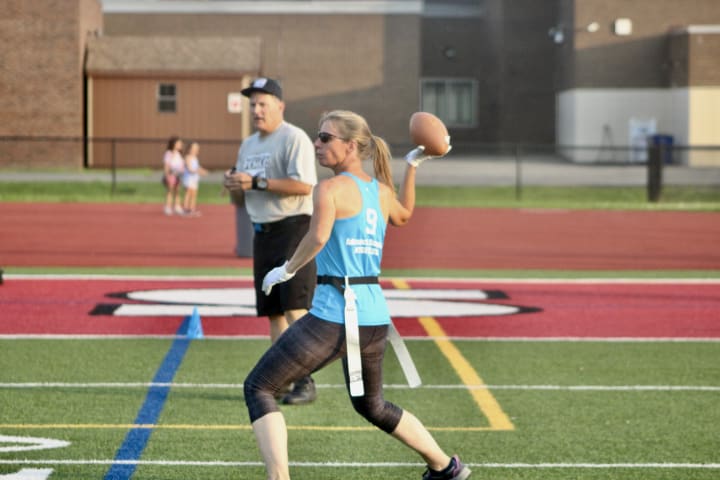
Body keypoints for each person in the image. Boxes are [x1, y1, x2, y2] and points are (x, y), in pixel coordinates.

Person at [244, 110, 469, 480]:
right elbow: (404, 215)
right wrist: (413, 165)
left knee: (259, 387)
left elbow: (317, 236)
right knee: (372, 405)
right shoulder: (381, 191)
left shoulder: (330, 189)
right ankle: (445, 467)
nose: (317, 143)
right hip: (374, 318)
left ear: (350, 146)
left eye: (325, 137)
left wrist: (286, 270)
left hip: (335, 316)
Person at [223, 77, 319, 405]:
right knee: (274, 312)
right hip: (262, 232)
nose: (256, 110)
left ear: (280, 106)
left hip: (293, 230)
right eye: (252, 104)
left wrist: (256, 183)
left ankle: (305, 381)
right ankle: (280, 379)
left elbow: (304, 186)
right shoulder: (248, 144)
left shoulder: (294, 138)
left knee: (294, 308)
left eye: (263, 104)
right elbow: (242, 193)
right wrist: (234, 185)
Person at [181, 141, 208, 216]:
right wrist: (198, 171)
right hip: (188, 179)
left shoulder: (195, 158)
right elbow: (190, 169)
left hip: (194, 179)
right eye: (194, 148)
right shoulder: (187, 157)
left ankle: (192, 209)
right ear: (190, 149)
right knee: (188, 193)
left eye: (197, 148)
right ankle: (186, 209)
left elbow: (197, 167)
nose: (196, 150)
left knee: (194, 194)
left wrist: (202, 171)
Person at [163, 136, 185, 215]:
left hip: (179, 174)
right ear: (174, 144)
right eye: (178, 143)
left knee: (177, 191)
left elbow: (181, 164)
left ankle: (177, 206)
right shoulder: (169, 153)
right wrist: (167, 175)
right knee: (170, 191)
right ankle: (168, 207)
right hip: (172, 174)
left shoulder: (179, 154)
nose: (180, 145)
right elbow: (167, 165)